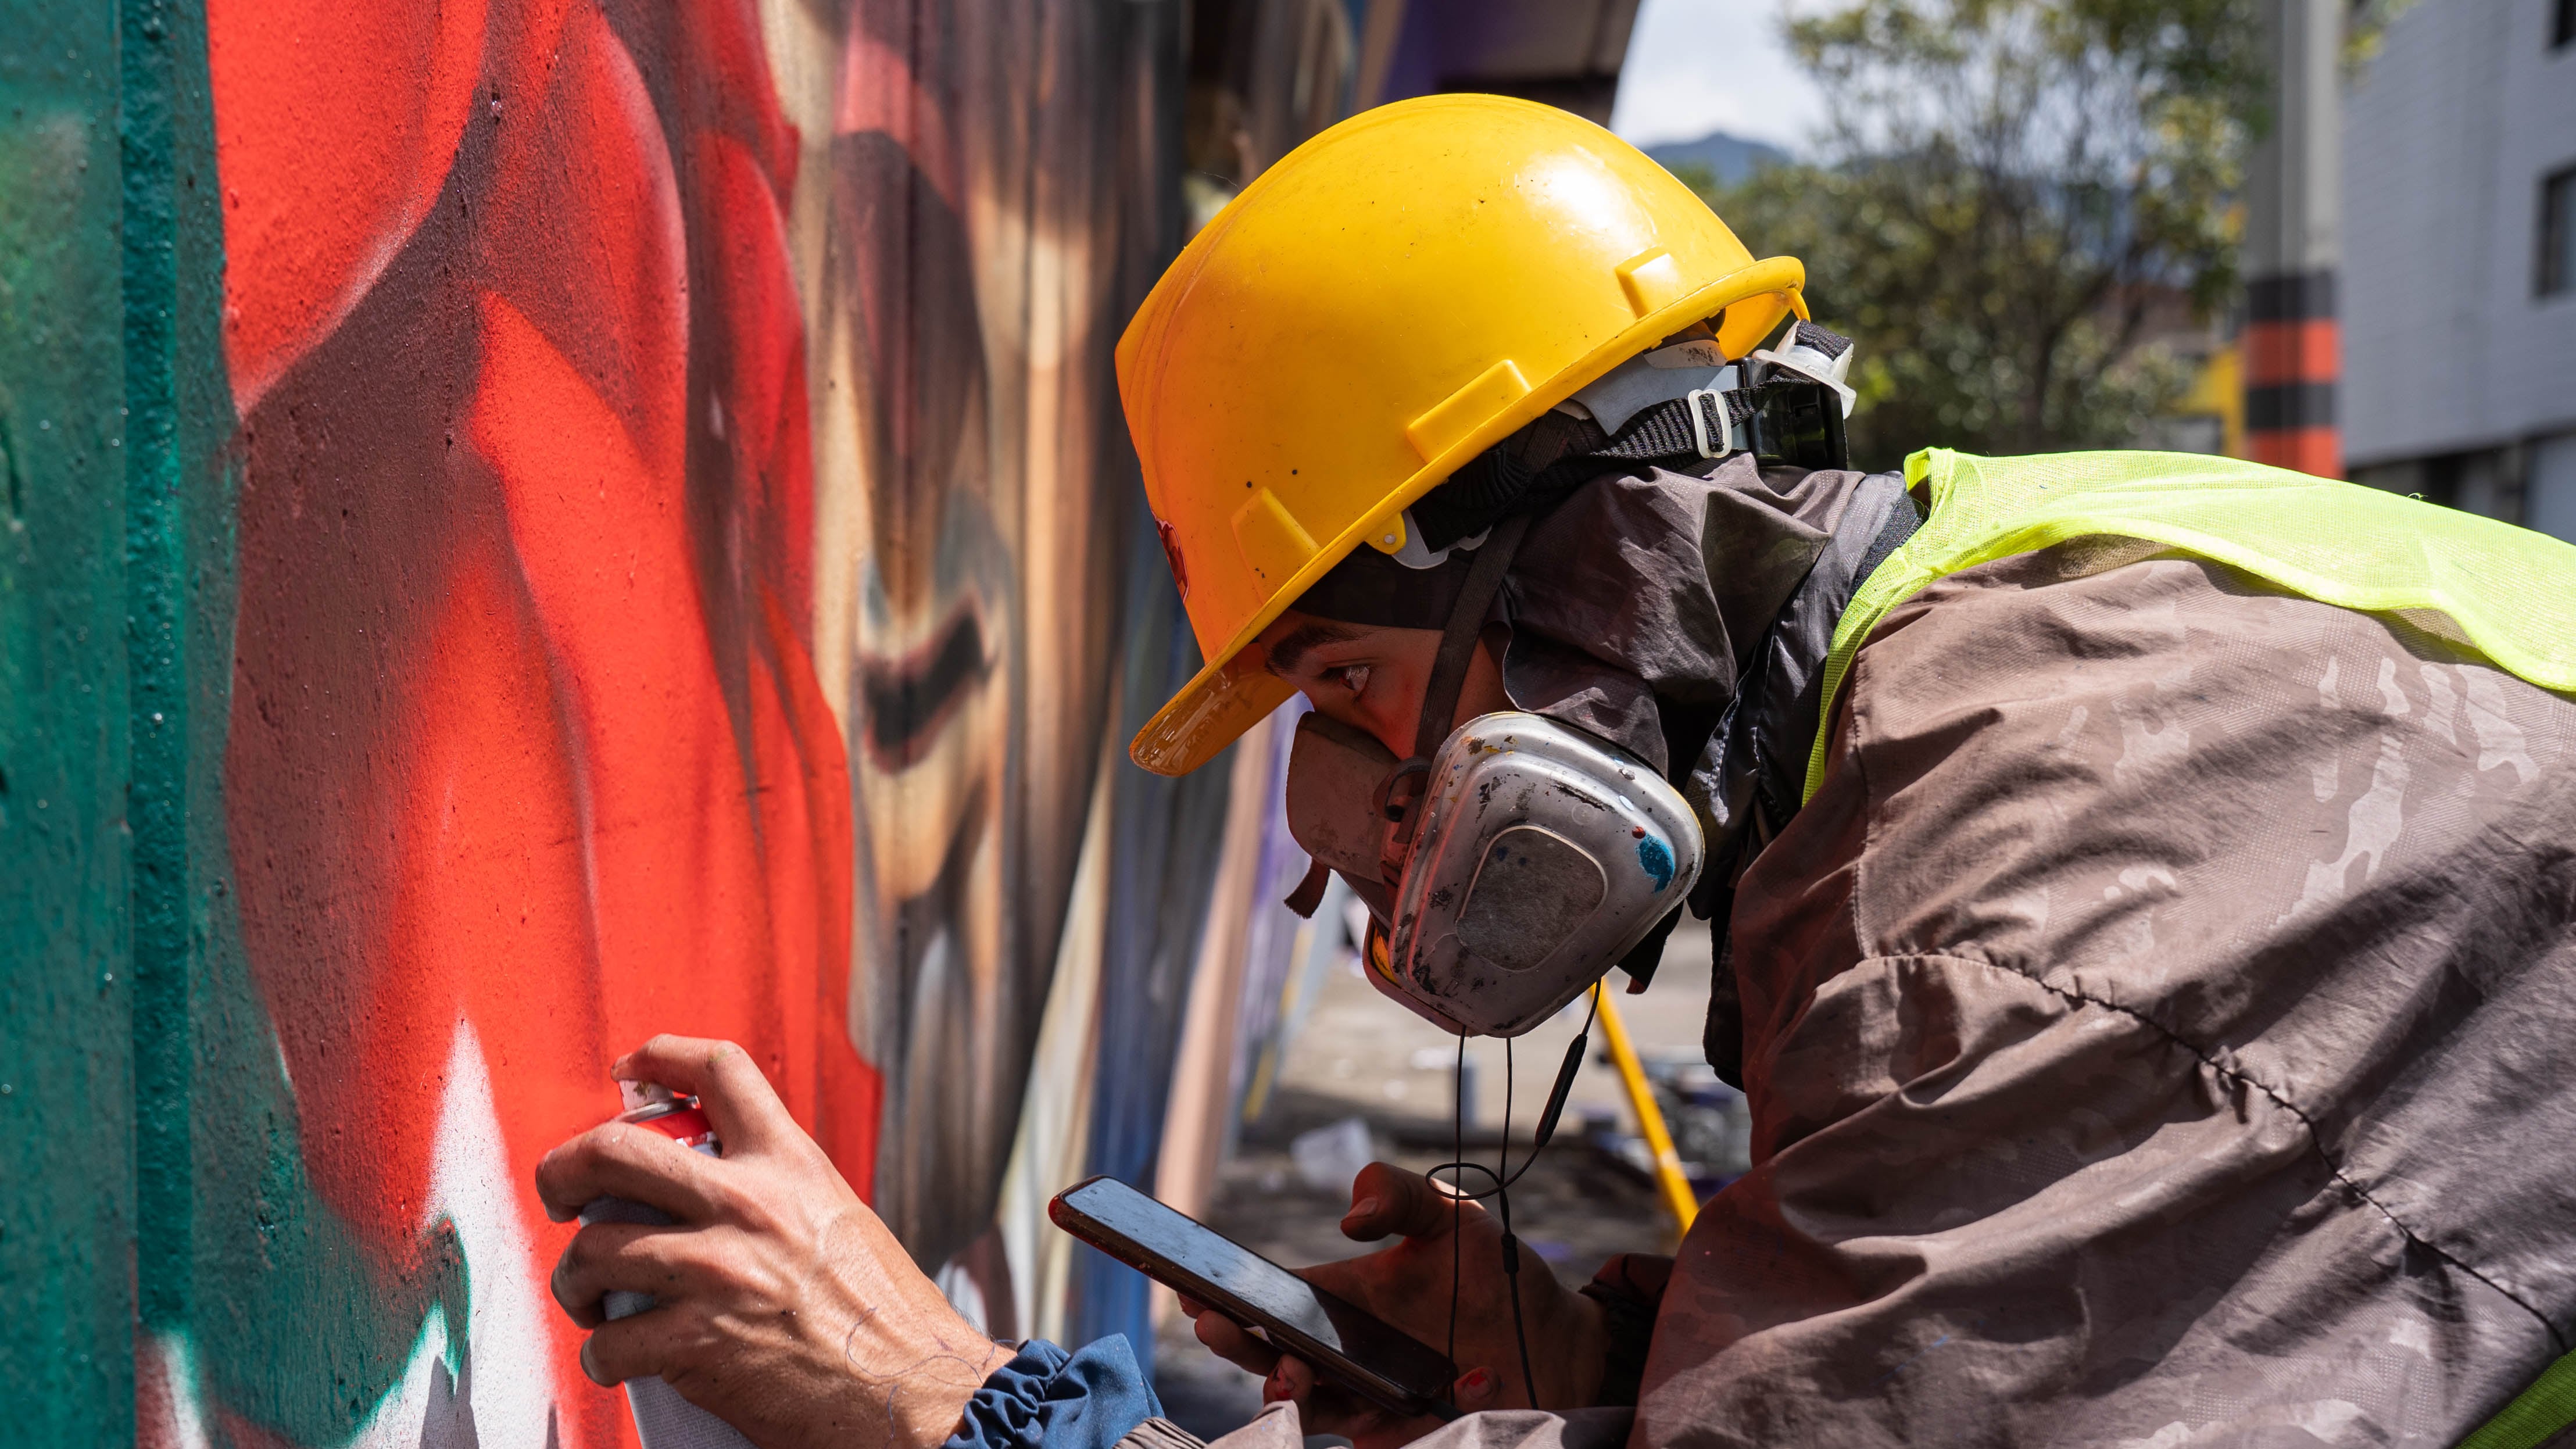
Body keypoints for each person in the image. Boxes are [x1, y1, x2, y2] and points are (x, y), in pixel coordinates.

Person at [538, 96, 2576, 1448]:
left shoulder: (2033, 894)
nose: (1342, 839)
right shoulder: (1998, 624)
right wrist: (1621, 1361)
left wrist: (957, 1408)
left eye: (1348, 688)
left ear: (1590, 561)